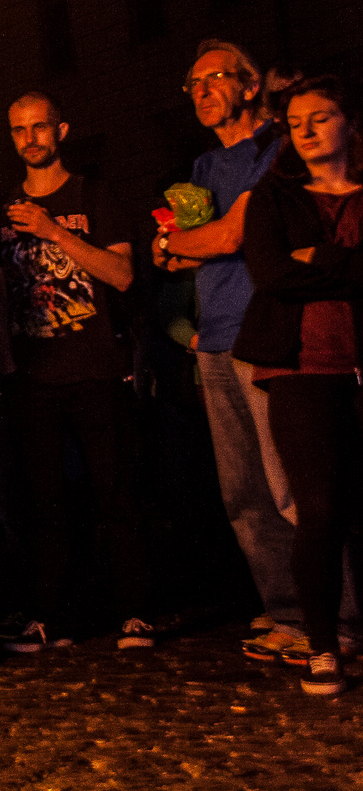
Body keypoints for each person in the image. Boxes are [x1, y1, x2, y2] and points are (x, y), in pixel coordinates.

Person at [153, 40, 304, 663]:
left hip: (264, 334)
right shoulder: (203, 168)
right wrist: (183, 244)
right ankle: (288, 613)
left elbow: (232, 232)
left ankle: (341, 619)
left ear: (248, 85)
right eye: (192, 84)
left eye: (213, 78)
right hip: (213, 340)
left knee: (291, 485)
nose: (201, 92)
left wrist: (185, 242)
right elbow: (167, 253)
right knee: (242, 494)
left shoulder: (277, 151)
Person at [0, 92, 154, 650]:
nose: (29, 138)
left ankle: (134, 612)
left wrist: (53, 230)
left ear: (61, 130)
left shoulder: (93, 194)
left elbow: (124, 275)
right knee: (43, 501)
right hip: (35, 375)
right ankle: (53, 616)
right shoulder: (6, 206)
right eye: (19, 130)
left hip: (94, 367)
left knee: (115, 493)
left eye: (39, 127)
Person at [235, 76, 363, 695]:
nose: (306, 129)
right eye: (294, 120)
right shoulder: (271, 200)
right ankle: (321, 645)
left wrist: (321, 258)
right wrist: (343, 262)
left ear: (348, 121)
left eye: (320, 116)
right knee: (319, 508)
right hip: (301, 370)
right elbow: (274, 275)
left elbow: (305, 267)